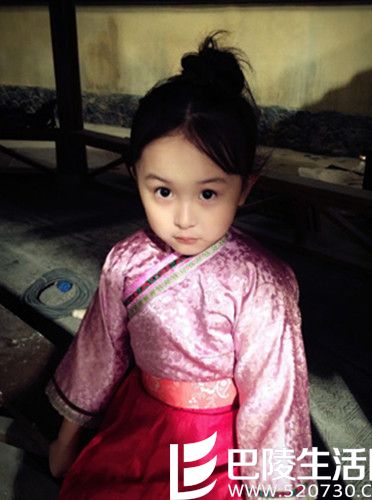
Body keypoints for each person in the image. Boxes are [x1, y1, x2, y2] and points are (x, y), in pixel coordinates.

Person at [46, 32, 315, 499]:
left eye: (208, 193)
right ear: (135, 177)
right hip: (136, 424)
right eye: (163, 191)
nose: (184, 218)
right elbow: (97, 356)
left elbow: (274, 401)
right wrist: (66, 440)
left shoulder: (261, 283)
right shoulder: (126, 261)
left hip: (217, 450)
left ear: (244, 188)